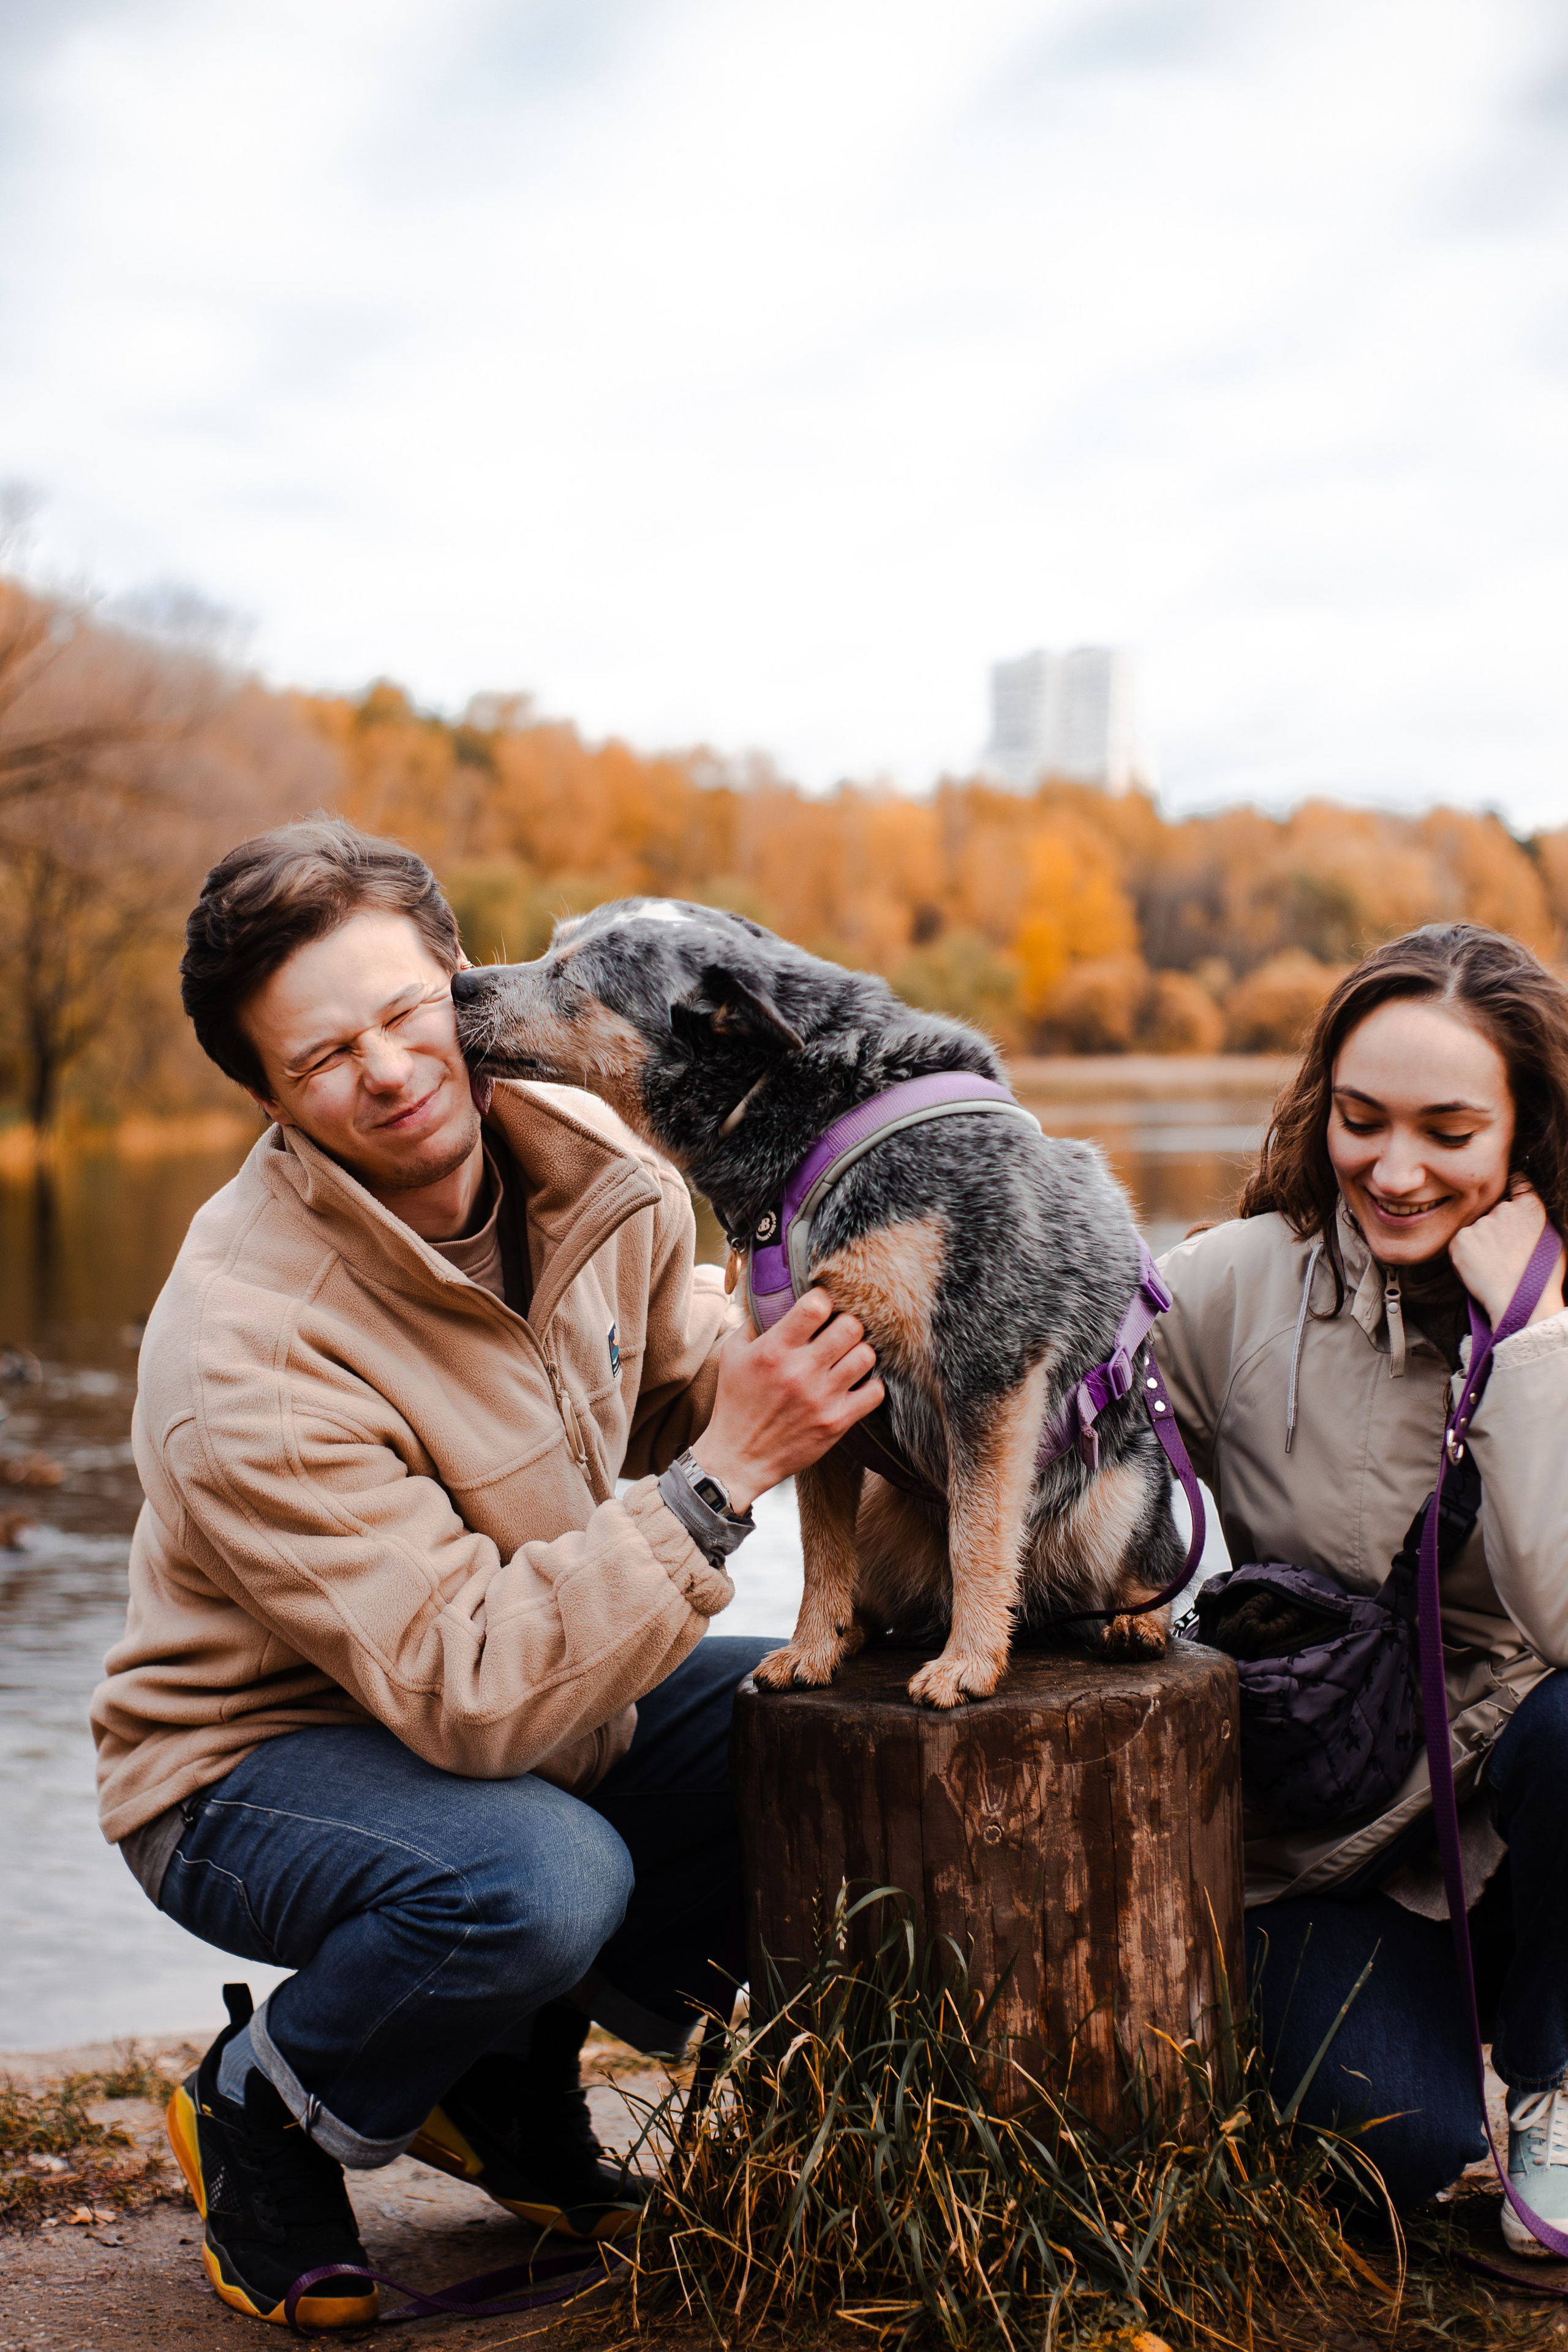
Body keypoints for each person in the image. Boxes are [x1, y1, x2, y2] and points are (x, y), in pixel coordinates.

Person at [91, 817, 883, 2330]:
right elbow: (471, 1697)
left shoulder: (602, 1164)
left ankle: (498, 2082)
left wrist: (793, 1354)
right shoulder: (247, 1349)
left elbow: (664, 1394)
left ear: (464, 980)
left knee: (819, 1722)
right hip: (253, 1763)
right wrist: (723, 1479)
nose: (388, 1071)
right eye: (324, 1057)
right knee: (535, 1879)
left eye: (405, 1013)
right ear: (265, 1096)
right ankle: (267, 2109)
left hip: (532, 1688)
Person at [1153, 922, 1568, 2252]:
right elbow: (1041, 1389)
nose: (1391, 1171)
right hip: (1346, 1846)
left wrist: (1534, 1339)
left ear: (1526, 1132)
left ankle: (1556, 2088)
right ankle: (1425, 2059)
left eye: (1446, 1131)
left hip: (1537, 1821)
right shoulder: (1235, 1284)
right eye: (1357, 1119)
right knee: (1390, 2147)